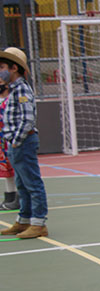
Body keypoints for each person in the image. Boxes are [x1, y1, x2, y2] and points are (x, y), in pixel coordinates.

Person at [0, 48, 48, 238]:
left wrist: (16, 140)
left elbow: (27, 119)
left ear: (14, 68)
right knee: (22, 184)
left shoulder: (21, 89)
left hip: (23, 142)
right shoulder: (12, 89)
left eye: (2, 67)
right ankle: (24, 220)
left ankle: (38, 223)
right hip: (15, 142)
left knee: (32, 183)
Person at [0, 69, 19, 211]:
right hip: (1, 141)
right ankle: (9, 195)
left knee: (16, 168)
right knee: (5, 169)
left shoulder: (11, 100)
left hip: (10, 138)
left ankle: (19, 197)